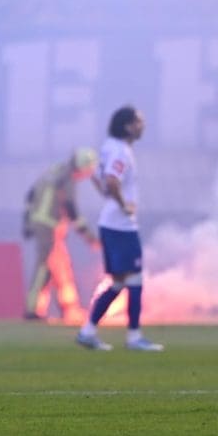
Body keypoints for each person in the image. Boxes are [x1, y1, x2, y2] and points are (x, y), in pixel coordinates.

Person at [76, 105, 165, 352]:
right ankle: (134, 337)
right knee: (134, 279)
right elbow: (112, 182)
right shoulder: (120, 152)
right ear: (127, 125)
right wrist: (124, 205)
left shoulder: (108, 148)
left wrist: (109, 193)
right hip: (121, 226)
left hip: (110, 223)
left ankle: (87, 332)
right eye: (139, 121)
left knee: (117, 283)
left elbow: (102, 181)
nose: (142, 125)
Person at [22, 148, 100, 322]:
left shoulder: (55, 170)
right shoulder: (67, 178)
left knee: (61, 266)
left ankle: (68, 308)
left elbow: (31, 194)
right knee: (44, 267)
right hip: (49, 225)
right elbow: (71, 207)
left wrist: (27, 222)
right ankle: (33, 309)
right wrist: (89, 236)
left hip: (44, 224)